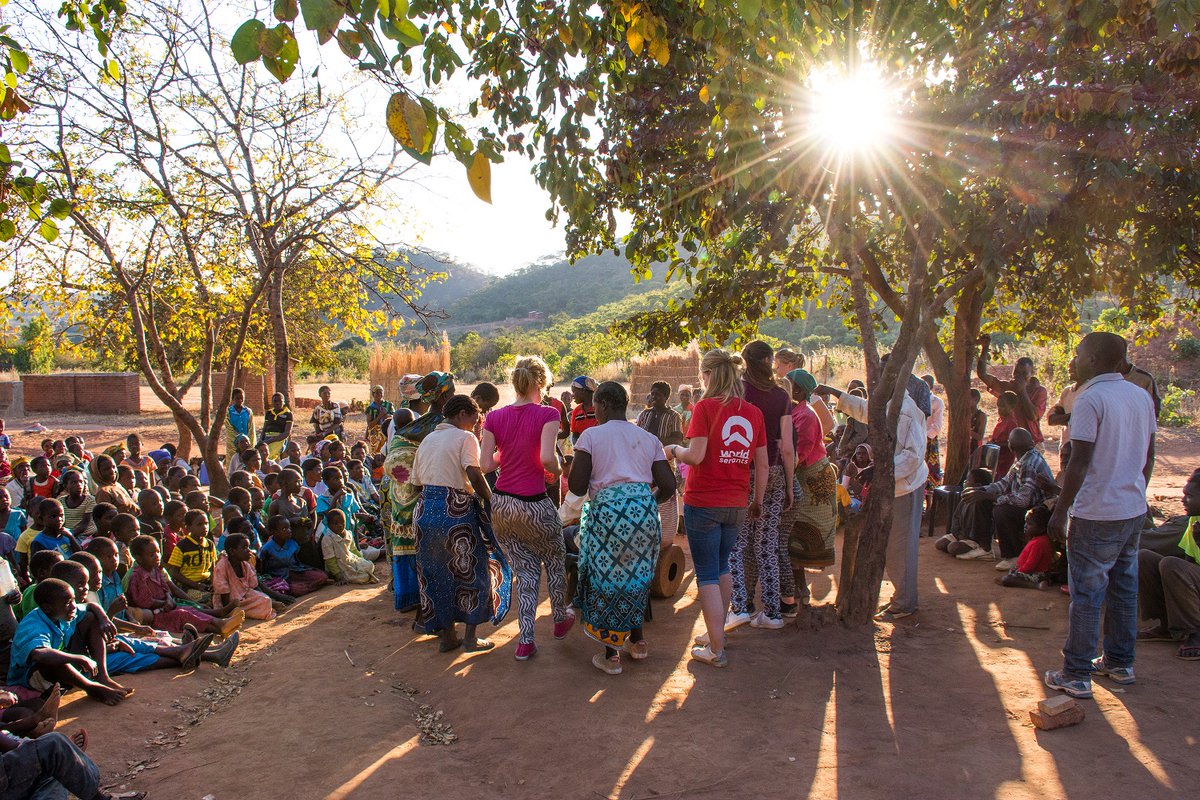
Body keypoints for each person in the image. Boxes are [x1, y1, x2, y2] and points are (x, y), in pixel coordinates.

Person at [1045, 332, 1156, 700]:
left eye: (1077, 354)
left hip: (1097, 513)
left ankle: (1076, 673)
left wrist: (1061, 512)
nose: (1073, 361)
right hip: (1131, 509)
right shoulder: (1139, 396)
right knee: (1124, 589)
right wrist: (1135, 490)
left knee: (1088, 594)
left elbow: (1079, 461)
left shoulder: (1091, 398)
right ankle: (1120, 663)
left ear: (1093, 359)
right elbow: (1149, 456)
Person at [667, 349, 767, 667]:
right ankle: (716, 635)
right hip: (737, 501)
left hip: (705, 501)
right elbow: (761, 465)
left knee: (707, 573)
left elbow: (695, 456)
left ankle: (716, 649)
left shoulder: (705, 408)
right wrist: (757, 501)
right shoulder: (753, 412)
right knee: (722, 567)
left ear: (708, 376)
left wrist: (673, 449)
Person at [570, 382, 675, 675]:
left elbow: (577, 486)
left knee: (607, 580)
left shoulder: (591, 436)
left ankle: (611, 655)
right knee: (637, 577)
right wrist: (644, 503)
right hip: (643, 511)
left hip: (608, 515)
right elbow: (668, 485)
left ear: (601, 404)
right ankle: (638, 642)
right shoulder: (647, 437)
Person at [816, 363, 928, 622]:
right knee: (891, 543)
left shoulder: (909, 411)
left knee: (901, 545)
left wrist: (879, 471)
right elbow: (867, 412)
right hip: (892, 484)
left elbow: (912, 457)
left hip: (906, 486)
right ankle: (902, 598)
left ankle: (905, 602)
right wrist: (835, 393)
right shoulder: (889, 402)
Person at [481, 356, 573, 661]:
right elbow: (548, 458)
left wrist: (507, 457)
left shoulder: (494, 418)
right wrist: (557, 471)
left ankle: (526, 640)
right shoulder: (548, 413)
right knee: (556, 560)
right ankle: (560, 619)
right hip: (533, 503)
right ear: (541, 382)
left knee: (526, 571)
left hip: (502, 503)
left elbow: (485, 463)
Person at [410, 394, 511, 652]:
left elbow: (414, 484)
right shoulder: (464, 438)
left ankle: (447, 637)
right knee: (471, 571)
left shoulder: (429, 439)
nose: (476, 424)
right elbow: (474, 474)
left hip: (424, 512)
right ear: (463, 413)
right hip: (455, 511)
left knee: (436, 576)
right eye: (475, 418)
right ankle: (469, 638)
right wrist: (490, 502)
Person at [727, 341, 794, 630]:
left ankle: (739, 607)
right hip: (776, 472)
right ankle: (773, 614)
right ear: (769, 360)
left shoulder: (736, 392)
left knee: (737, 545)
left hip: (742, 472)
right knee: (767, 546)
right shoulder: (781, 395)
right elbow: (788, 446)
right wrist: (790, 485)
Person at [382, 372, 455, 613]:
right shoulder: (441, 425)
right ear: (444, 397)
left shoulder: (415, 425)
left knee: (407, 540)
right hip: (424, 494)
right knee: (430, 545)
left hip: (400, 494)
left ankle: (408, 594)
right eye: (452, 392)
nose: (454, 395)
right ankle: (432, 600)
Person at [957, 428, 1055, 569]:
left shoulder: (1029, 463)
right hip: (1029, 505)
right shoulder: (1023, 458)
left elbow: (1023, 500)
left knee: (1001, 511)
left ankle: (1013, 555)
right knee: (981, 499)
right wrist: (981, 490)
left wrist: (989, 496)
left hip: (1039, 511)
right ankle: (985, 548)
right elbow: (1004, 484)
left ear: (1011, 446)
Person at [781, 369, 839, 606]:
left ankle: (798, 590)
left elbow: (799, 456)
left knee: (797, 531)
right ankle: (796, 588)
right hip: (806, 475)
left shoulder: (804, 416)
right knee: (793, 532)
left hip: (811, 479)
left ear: (797, 391)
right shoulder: (797, 412)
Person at [124, 536, 245, 637]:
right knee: (182, 615)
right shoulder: (137, 576)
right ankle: (219, 626)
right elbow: (144, 601)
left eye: (157, 552)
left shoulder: (157, 570)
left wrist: (168, 598)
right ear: (139, 558)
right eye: (151, 554)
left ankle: (219, 624)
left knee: (189, 610)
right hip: (154, 614)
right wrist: (163, 603)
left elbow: (166, 588)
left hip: (166, 606)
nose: (157, 556)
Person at [1137, 468, 1200, 660]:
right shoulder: (1193, 522)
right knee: (1145, 557)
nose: (1183, 500)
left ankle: (1196, 632)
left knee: (1171, 564)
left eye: (1189, 496)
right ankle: (1167, 625)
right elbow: (1189, 560)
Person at [976, 335, 1048, 448]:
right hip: (1009, 442)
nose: (1019, 376)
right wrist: (985, 348)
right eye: (1016, 372)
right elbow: (982, 375)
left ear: (1032, 374)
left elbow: (1033, 416)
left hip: (1031, 442)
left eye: (1024, 373)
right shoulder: (1007, 386)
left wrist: (1022, 390)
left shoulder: (1039, 391)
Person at [213, 533, 283, 620]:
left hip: (244, 597)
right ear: (232, 551)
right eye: (244, 548)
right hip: (229, 602)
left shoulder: (245, 564)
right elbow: (223, 592)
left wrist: (264, 597)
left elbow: (254, 586)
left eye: (248, 547)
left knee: (265, 600)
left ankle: (244, 612)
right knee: (261, 604)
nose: (249, 551)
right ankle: (233, 613)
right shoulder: (222, 566)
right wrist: (228, 609)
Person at [257, 515, 330, 598]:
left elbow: (297, 560)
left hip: (296, 571)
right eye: (284, 529)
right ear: (274, 532)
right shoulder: (267, 549)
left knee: (322, 576)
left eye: (289, 528)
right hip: (281, 576)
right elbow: (262, 567)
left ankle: (305, 586)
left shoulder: (292, 543)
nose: (289, 531)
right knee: (295, 589)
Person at [166, 510, 218, 605]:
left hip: (205, 584)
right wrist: (196, 585)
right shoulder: (182, 546)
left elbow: (213, 568)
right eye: (199, 524)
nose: (204, 527)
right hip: (188, 586)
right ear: (188, 527)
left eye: (206, 523)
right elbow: (174, 572)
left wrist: (213, 584)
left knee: (223, 593)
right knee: (207, 598)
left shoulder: (210, 545)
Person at [318, 509, 379, 586]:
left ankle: (362, 570)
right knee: (363, 578)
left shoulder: (348, 533)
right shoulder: (327, 539)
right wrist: (338, 575)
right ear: (329, 525)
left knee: (369, 566)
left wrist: (361, 559)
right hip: (340, 565)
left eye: (342, 522)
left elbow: (353, 549)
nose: (340, 525)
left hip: (351, 560)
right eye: (336, 523)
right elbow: (330, 560)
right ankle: (350, 575)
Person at [1047, 357, 1084, 472]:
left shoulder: (1089, 391)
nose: (1069, 369)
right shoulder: (1067, 392)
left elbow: (1082, 418)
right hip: (1065, 443)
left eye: (1074, 367)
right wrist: (1072, 417)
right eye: (1069, 366)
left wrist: (1066, 417)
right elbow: (1051, 419)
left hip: (1080, 445)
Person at [922, 375, 944, 488]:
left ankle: (930, 502)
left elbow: (937, 426)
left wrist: (924, 437)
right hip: (916, 438)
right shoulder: (915, 400)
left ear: (930, 386)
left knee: (930, 473)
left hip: (929, 440)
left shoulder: (937, 402)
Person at [259, 392, 294, 462]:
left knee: (268, 456)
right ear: (272, 402)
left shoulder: (288, 414)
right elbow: (264, 428)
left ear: (283, 402)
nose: (277, 403)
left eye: (280, 401)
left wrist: (270, 440)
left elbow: (287, 433)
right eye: (275, 401)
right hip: (267, 438)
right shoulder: (269, 413)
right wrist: (261, 439)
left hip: (279, 439)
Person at [226, 387, 256, 460]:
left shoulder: (248, 412)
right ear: (233, 399)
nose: (240, 400)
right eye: (237, 398)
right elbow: (229, 428)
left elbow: (251, 428)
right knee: (234, 460)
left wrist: (248, 441)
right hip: (234, 442)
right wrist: (239, 440)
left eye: (242, 398)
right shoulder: (229, 412)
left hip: (247, 442)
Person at [364, 384, 394, 457]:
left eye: (381, 393)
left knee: (387, 451)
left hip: (386, 431)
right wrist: (380, 415)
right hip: (375, 434)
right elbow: (370, 425)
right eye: (377, 393)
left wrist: (387, 415)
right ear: (373, 394)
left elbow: (394, 417)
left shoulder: (388, 405)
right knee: (376, 454)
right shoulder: (370, 408)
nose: (379, 395)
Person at [568, 376, 599, 444]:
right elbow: (575, 436)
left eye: (574, 391)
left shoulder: (600, 409)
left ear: (583, 390)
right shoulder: (576, 411)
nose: (572, 395)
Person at [968, 388, 988, 455]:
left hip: (974, 448)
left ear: (976, 399)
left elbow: (980, 437)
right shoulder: (964, 414)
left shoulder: (981, 416)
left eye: (968, 399)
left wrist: (967, 431)